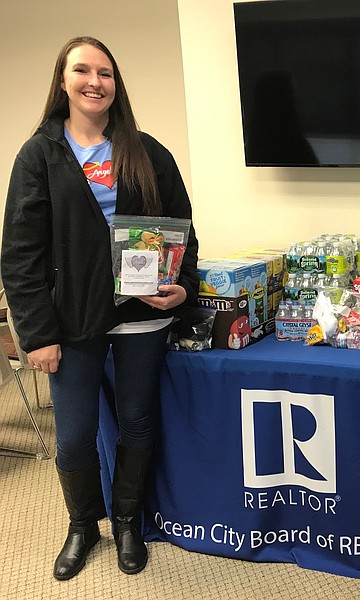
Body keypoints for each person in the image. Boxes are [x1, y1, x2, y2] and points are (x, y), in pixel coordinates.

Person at [1, 36, 199, 581]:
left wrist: (182, 287)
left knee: (137, 421)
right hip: (71, 319)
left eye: (105, 73)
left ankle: (129, 522)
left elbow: (183, 230)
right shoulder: (40, 155)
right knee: (73, 433)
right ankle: (83, 524)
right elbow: (19, 253)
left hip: (143, 314)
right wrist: (36, 334)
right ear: (63, 82)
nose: (95, 82)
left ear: (116, 84)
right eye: (83, 71)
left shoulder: (147, 150)